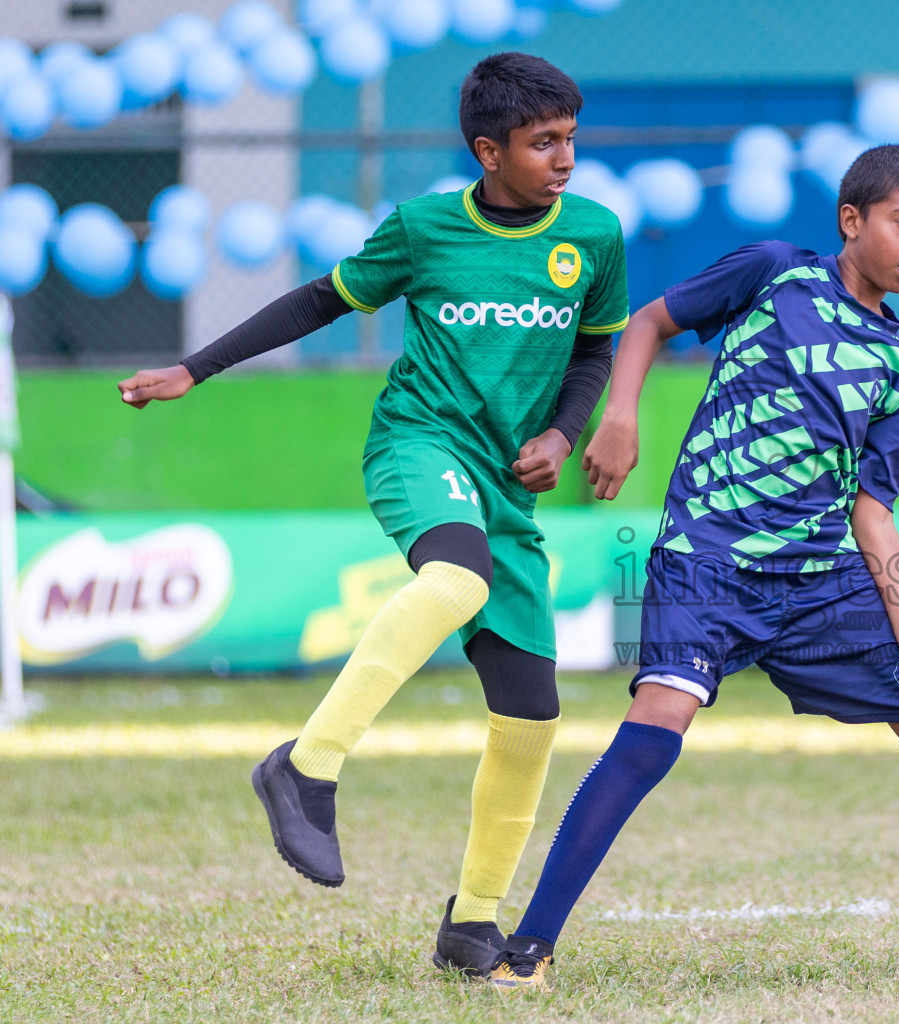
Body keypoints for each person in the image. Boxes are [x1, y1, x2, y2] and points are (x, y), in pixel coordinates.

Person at [479, 144, 899, 993]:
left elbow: (874, 514)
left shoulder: (898, 371)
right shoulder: (775, 274)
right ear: (851, 220)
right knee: (656, 728)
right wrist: (620, 418)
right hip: (705, 562)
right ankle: (528, 947)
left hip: (819, 580)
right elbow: (649, 320)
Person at [114, 52, 630, 979]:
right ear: (487, 150)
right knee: (453, 578)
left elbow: (596, 351)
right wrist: (197, 368)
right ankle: (306, 767)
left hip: (508, 485)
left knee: (532, 714)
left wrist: (563, 432)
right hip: (420, 446)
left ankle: (472, 924)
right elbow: (321, 298)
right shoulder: (425, 228)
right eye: (542, 143)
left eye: (570, 139)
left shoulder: (593, 235)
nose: (564, 158)